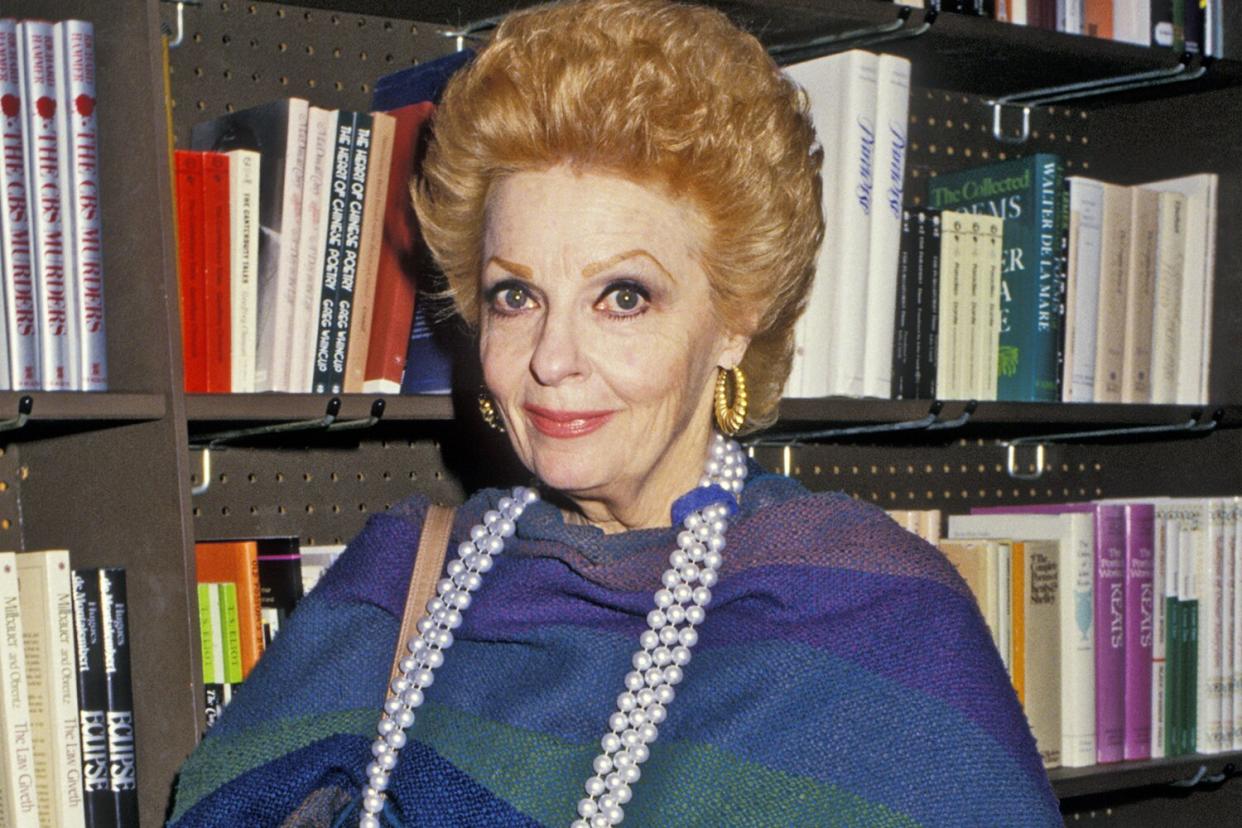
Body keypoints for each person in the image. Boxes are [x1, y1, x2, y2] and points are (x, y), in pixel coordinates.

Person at [168, 0, 1061, 825]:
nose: (552, 359)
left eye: (623, 296)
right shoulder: (401, 583)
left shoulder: (879, 616)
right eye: (516, 295)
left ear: (733, 319)